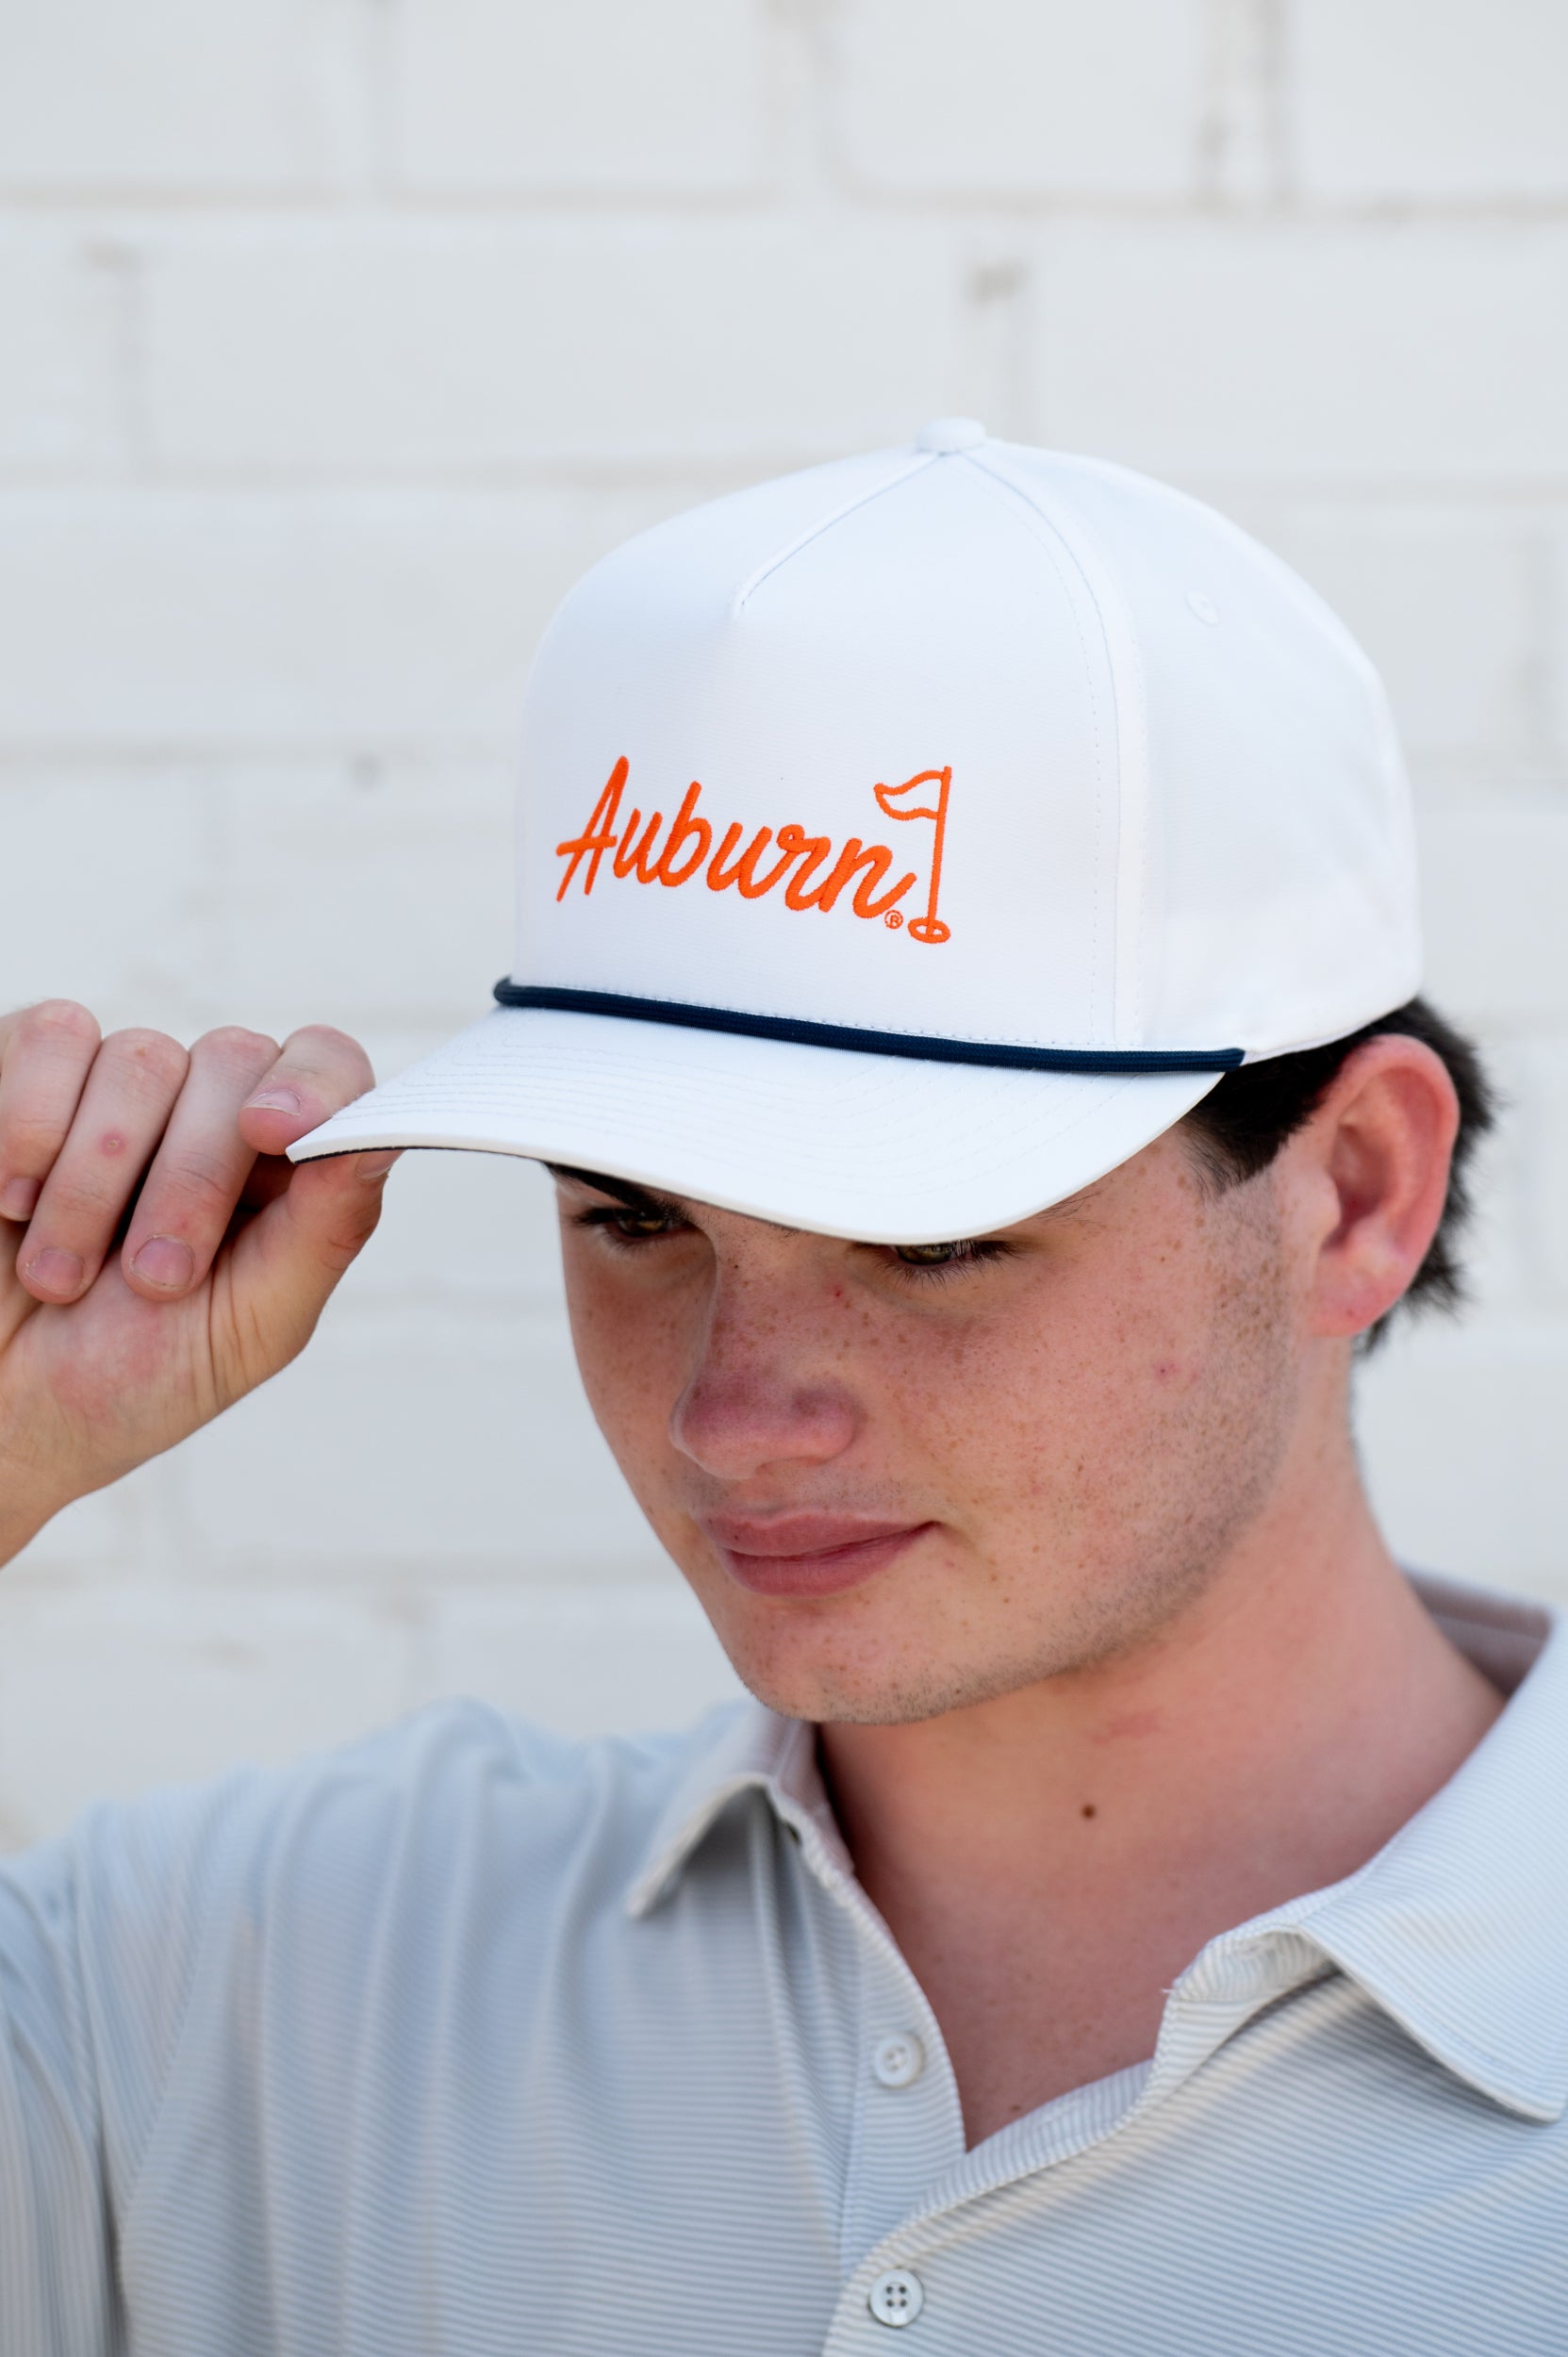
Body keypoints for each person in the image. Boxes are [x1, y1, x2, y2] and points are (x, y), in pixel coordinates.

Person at [0, 420, 1560, 2355]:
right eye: (634, 1217)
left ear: (1352, 1192)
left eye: (933, 1240)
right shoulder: (244, 1988)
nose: (730, 1415)